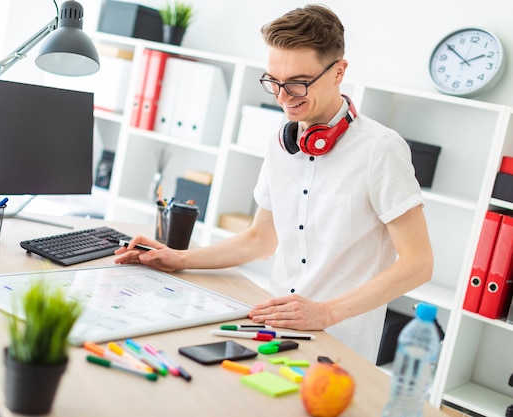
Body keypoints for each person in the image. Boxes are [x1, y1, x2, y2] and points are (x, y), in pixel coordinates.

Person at [114, 4, 433, 363]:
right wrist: (180, 259)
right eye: (273, 82)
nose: (283, 97)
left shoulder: (381, 149)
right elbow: (260, 239)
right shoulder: (281, 143)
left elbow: (418, 264)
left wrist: (326, 312)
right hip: (271, 326)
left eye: (298, 83)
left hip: (340, 344)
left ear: (338, 72)